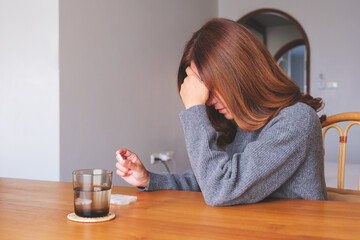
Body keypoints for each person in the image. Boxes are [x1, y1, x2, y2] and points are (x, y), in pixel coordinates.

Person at [115, 18, 328, 206]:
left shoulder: (295, 121)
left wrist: (194, 110)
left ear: (239, 73)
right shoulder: (239, 123)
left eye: (209, 86)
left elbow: (220, 189)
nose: (206, 100)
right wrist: (149, 180)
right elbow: (208, 180)